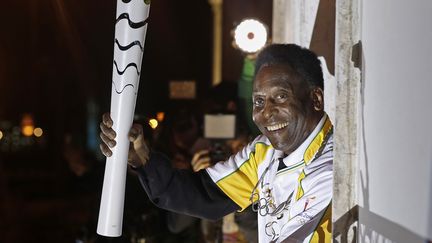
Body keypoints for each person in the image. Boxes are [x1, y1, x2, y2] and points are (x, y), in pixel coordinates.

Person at [99, 44, 333, 242]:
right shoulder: (264, 153)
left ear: (315, 98)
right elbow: (203, 195)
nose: (267, 113)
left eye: (281, 97)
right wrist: (142, 157)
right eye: (259, 101)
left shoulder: (330, 169)